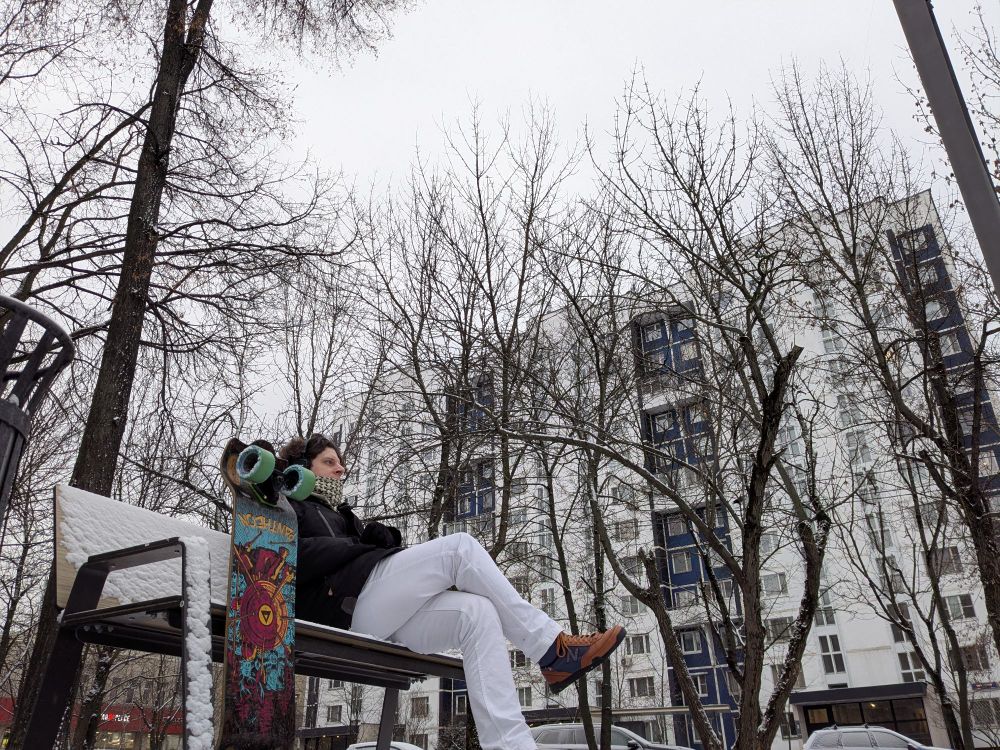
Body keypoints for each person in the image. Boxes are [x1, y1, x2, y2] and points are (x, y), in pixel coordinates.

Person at [278, 433, 627, 750]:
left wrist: (377, 539)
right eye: (329, 462)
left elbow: (360, 556)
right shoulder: (289, 506)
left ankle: (511, 745)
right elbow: (294, 556)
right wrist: (361, 547)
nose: (340, 469)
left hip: (372, 609)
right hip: (340, 611)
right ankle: (552, 648)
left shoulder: (342, 515)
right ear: (302, 467)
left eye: (340, 462)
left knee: (477, 613)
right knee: (460, 549)